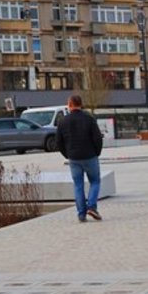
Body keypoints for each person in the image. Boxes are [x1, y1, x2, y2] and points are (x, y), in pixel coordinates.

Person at [56, 94, 103, 222]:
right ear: (80, 104)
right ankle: (92, 206)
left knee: (78, 185)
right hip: (90, 155)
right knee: (95, 181)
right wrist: (97, 152)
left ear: (70, 105)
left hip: (74, 158)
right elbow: (98, 138)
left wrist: (68, 154)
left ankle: (81, 214)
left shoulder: (63, 121)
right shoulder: (89, 119)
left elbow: (59, 142)